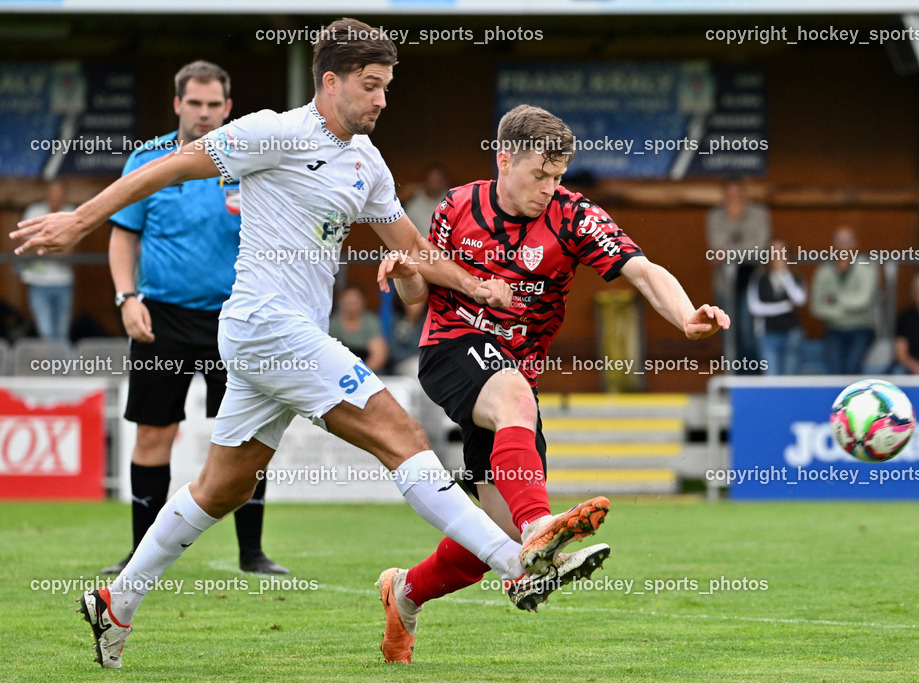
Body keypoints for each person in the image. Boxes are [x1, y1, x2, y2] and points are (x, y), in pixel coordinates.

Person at [13, 19, 607, 669]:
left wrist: (479, 287)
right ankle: (514, 563)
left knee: (221, 487)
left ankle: (115, 599)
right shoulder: (275, 130)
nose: (383, 99)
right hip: (268, 326)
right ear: (331, 82)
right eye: (372, 86)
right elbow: (169, 167)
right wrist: (79, 218)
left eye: (388, 86)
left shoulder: (367, 162)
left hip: (275, 337)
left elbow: (411, 248)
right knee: (401, 435)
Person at [374, 104, 731, 663]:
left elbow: (642, 269)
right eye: (540, 175)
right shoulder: (456, 207)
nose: (550, 187)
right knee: (516, 402)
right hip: (451, 348)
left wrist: (686, 316)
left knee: (491, 540)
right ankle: (543, 527)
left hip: (513, 376)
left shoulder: (572, 216)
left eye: (559, 175)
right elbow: (420, 297)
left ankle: (405, 593)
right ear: (504, 159)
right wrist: (405, 276)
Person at [99, 60, 287, 579]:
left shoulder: (250, 159)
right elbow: (123, 235)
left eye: (213, 105)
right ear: (177, 104)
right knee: (155, 434)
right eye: (194, 104)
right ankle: (141, 557)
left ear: (228, 108)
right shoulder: (148, 159)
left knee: (249, 438)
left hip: (239, 319)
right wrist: (125, 297)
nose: (204, 114)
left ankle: (253, 553)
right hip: (161, 319)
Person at [706, 176, 771, 371]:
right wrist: (733, 224)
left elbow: (759, 248)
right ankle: (733, 378)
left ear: (744, 195)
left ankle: (751, 378)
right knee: (728, 333)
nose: (733, 199)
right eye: (729, 195)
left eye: (737, 195)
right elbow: (716, 246)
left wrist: (728, 252)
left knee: (749, 332)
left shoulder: (759, 214)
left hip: (753, 283)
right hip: (726, 285)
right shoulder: (715, 216)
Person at [810, 227, 879, 375]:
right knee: (835, 371)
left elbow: (864, 300)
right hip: (834, 329)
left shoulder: (867, 267)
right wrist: (842, 310)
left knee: (852, 369)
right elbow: (816, 307)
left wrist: (834, 300)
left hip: (861, 328)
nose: (843, 245)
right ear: (833, 244)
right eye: (839, 241)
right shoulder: (823, 271)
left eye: (848, 241)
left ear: (855, 244)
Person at [18, 180, 75, 340]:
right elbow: (26, 246)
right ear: (46, 195)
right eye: (52, 196)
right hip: (38, 282)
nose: (56, 201)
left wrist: (41, 245)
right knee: (46, 333)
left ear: (65, 197)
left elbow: (69, 250)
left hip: (64, 282)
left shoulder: (70, 213)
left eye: (59, 197)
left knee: (62, 334)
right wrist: (55, 246)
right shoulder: (34, 212)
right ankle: (51, 366)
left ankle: (61, 366)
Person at [747, 238, 806, 375]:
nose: (777, 257)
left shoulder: (795, 277)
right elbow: (754, 307)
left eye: (781, 252)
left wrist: (785, 275)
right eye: (774, 252)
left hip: (791, 332)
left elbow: (800, 300)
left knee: (790, 377)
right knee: (771, 376)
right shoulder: (759, 277)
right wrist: (783, 307)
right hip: (767, 332)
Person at [328, 284, 388, 372]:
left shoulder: (370, 322)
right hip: (339, 371)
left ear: (363, 302)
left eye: (354, 303)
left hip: (368, 371)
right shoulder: (332, 323)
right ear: (340, 303)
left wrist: (361, 373)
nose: (351, 307)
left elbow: (378, 355)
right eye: (347, 303)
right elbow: (329, 355)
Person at [402, 163, 450, 237]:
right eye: (433, 180)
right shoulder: (413, 207)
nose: (436, 184)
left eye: (439, 181)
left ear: (445, 181)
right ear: (425, 181)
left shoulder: (454, 205)